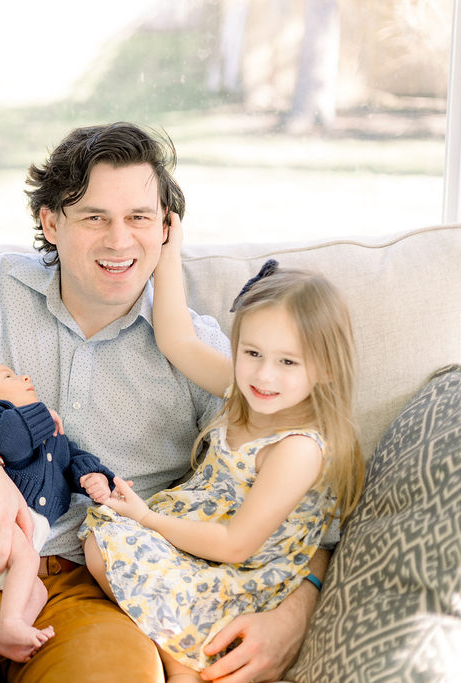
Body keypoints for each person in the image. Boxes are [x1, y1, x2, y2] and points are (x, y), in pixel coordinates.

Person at [0, 122, 330, 683]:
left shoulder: (202, 351)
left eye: (139, 218)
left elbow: (289, 475)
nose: (119, 240)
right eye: (95, 216)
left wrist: (298, 608)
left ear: (166, 230)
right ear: (51, 223)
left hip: (98, 593)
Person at [81, 216, 365, 682]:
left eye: (287, 361)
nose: (264, 375)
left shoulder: (297, 448)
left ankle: (183, 665)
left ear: (326, 369)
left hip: (240, 572)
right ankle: (178, 656)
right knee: (101, 538)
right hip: (201, 545)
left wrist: (146, 518)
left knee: (112, 540)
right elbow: (176, 340)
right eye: (252, 353)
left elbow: (237, 545)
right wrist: (167, 252)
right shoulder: (241, 392)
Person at [0, 363, 116, 662]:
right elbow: (7, 439)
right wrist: (39, 414)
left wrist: (96, 478)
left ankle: (10, 631)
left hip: (23, 536)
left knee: (37, 590)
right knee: (27, 560)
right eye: (9, 377)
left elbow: (73, 457)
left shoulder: (52, 437)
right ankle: (11, 621)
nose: (25, 377)